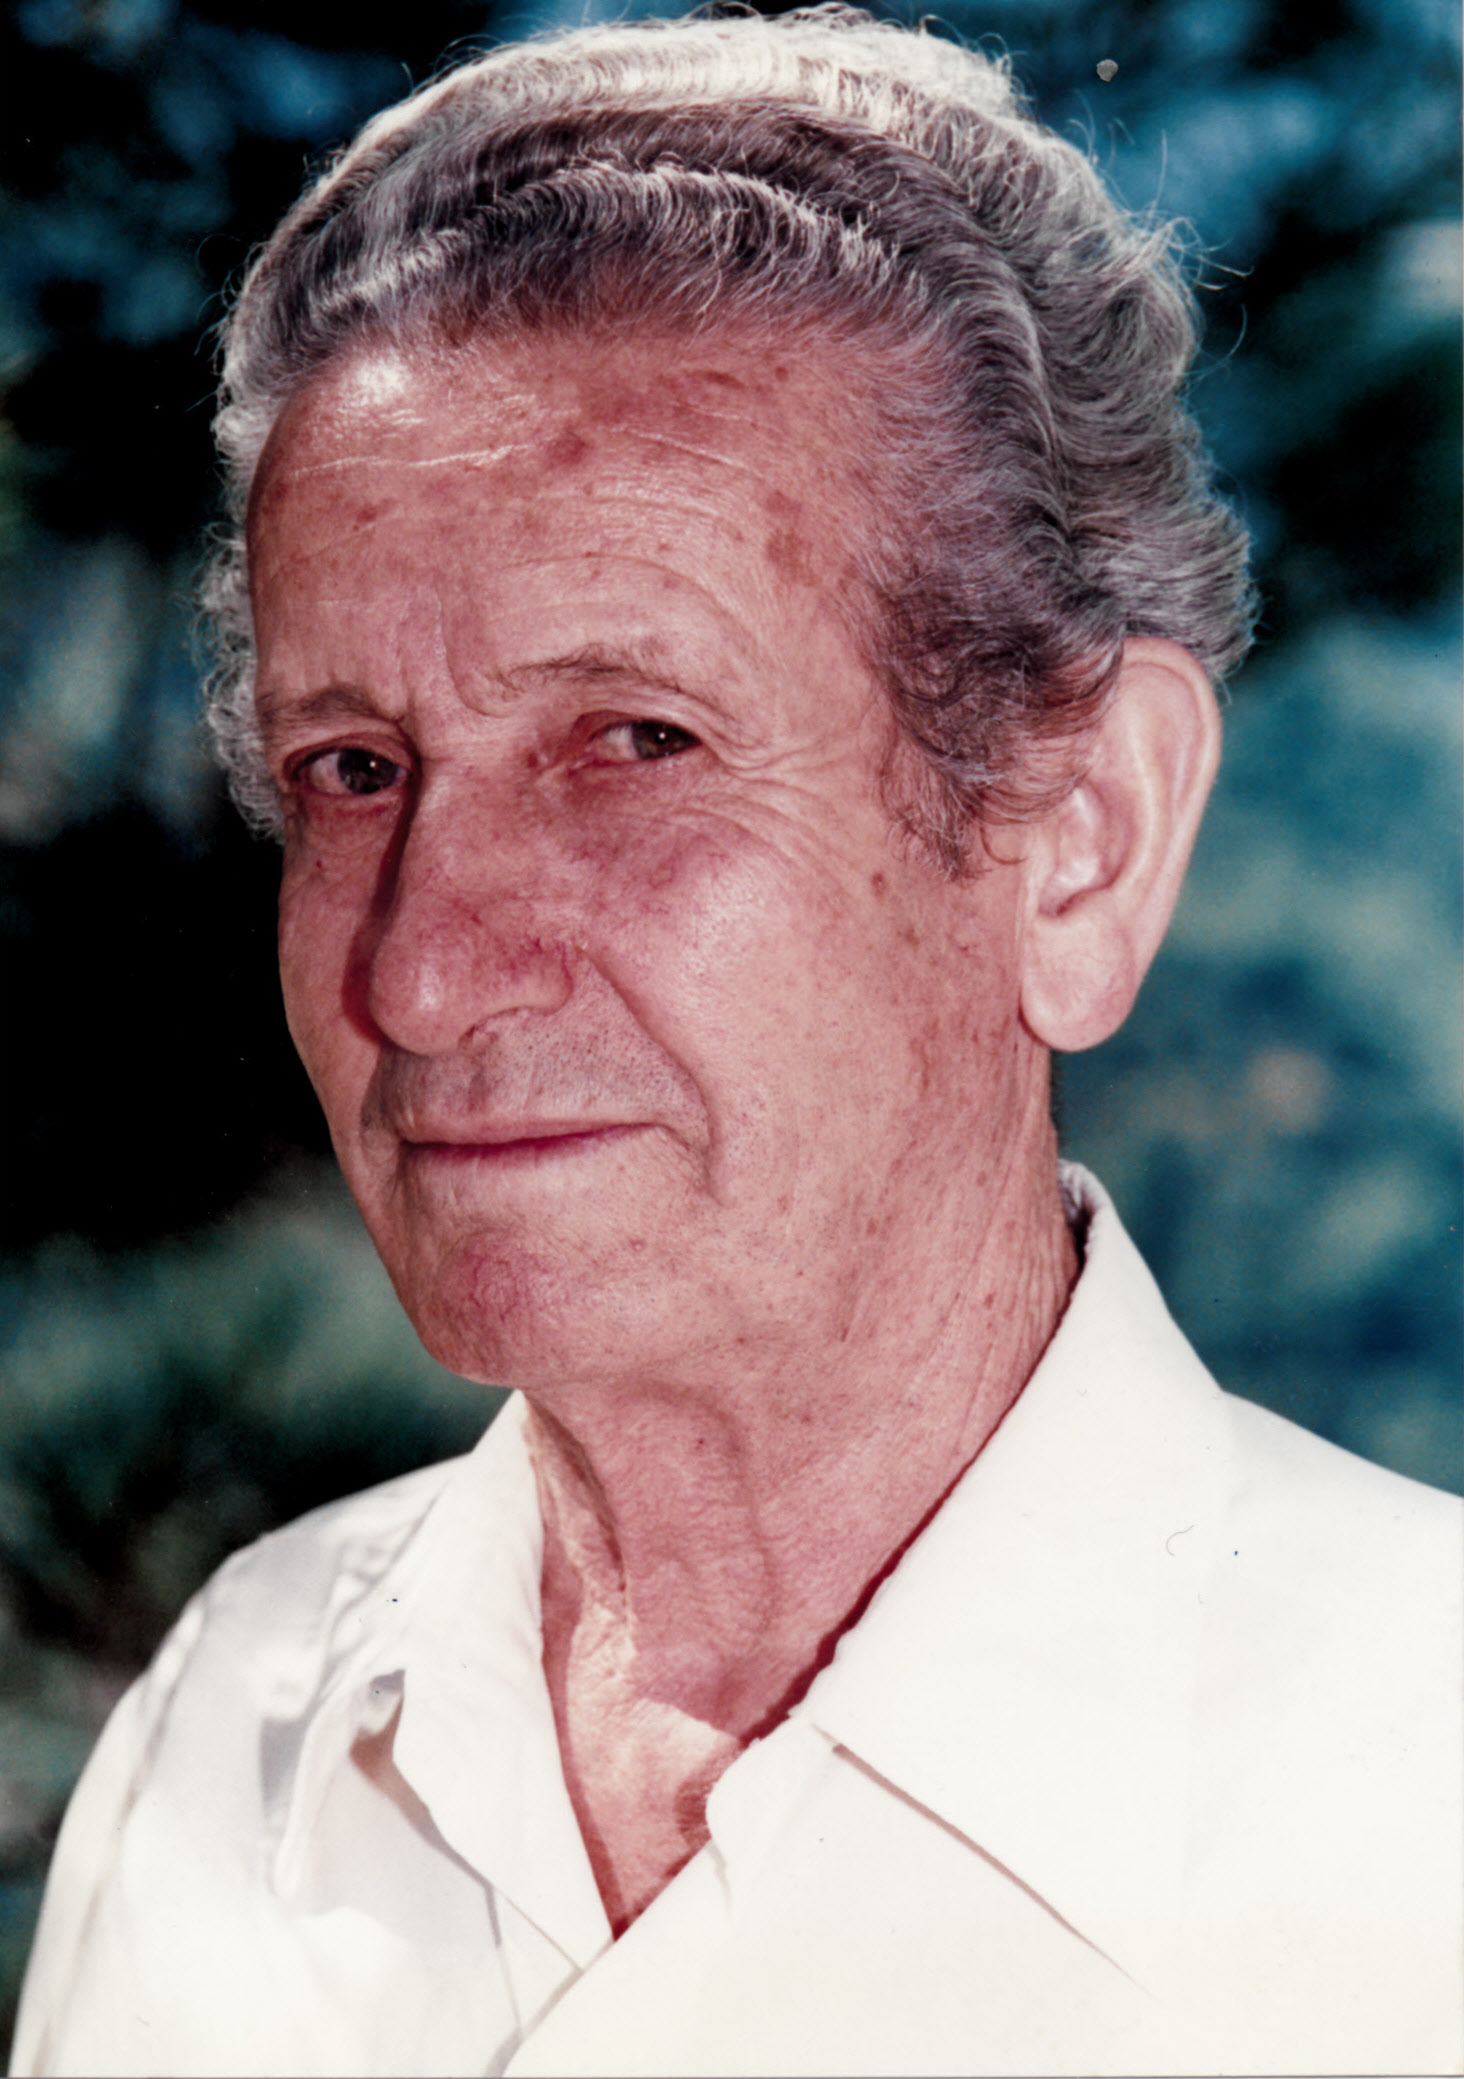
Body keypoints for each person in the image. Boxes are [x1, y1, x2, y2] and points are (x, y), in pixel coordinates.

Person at [12, 10, 1460, 2075]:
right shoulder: (232, 1744)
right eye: (353, 768)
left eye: (635, 738)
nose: (422, 974)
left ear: (1082, 838)